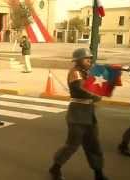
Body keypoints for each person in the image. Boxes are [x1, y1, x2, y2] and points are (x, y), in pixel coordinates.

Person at [49, 48, 108, 180]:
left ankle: (98, 173)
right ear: (78, 60)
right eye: (86, 58)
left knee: (93, 145)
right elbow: (84, 90)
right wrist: (97, 94)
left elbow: (98, 83)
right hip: (77, 114)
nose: (89, 60)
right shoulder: (75, 73)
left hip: (89, 114)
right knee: (72, 145)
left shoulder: (87, 71)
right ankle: (55, 167)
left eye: (90, 58)